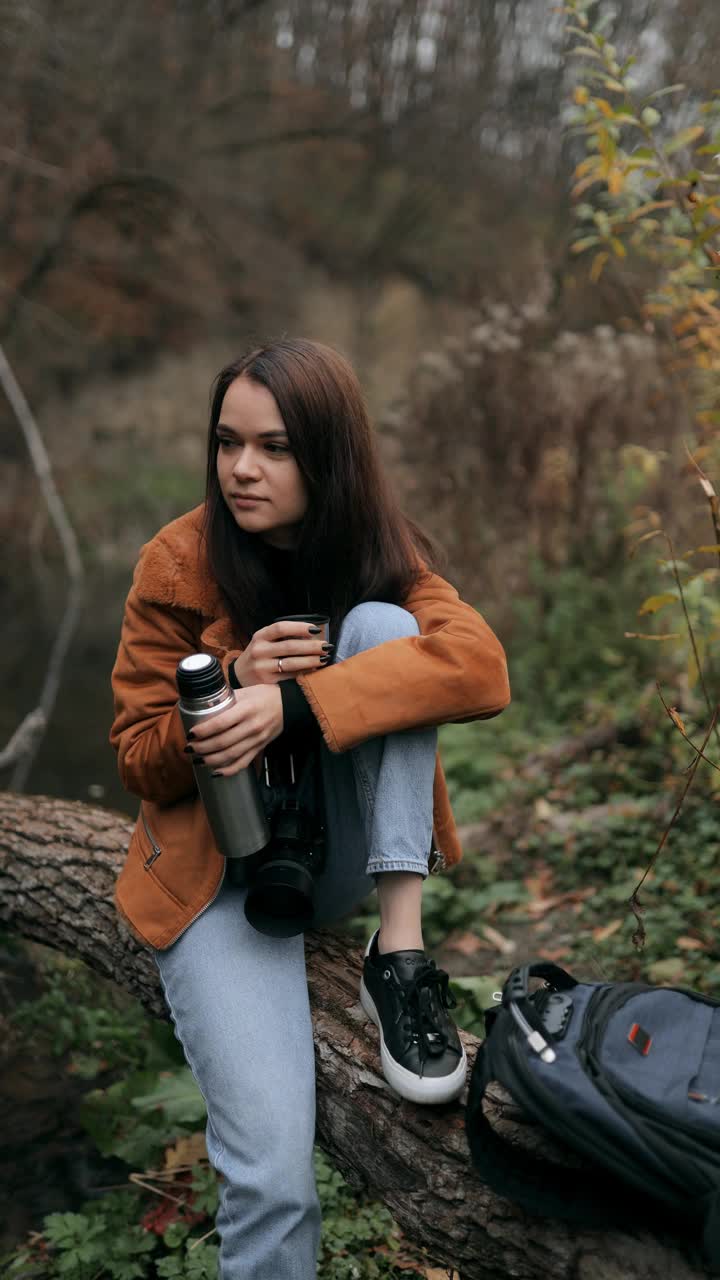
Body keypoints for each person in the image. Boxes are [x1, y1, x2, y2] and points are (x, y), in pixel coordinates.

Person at [110, 338, 511, 1280]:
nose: (242, 469)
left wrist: (289, 704)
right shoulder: (175, 563)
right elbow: (135, 756)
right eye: (227, 442)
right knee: (274, 1177)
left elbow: (479, 667)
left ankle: (398, 958)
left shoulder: (376, 548)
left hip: (341, 854)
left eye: (276, 447)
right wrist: (224, 699)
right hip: (219, 875)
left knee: (389, 634)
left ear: (327, 457)